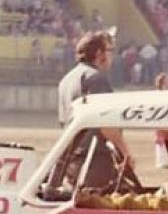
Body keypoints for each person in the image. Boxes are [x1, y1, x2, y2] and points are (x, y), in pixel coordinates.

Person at [56, 30, 134, 173]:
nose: (112, 55)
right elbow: (106, 123)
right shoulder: (96, 79)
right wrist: (125, 153)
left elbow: (62, 121)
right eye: (110, 50)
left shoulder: (66, 80)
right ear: (99, 53)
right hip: (94, 158)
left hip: (71, 158)